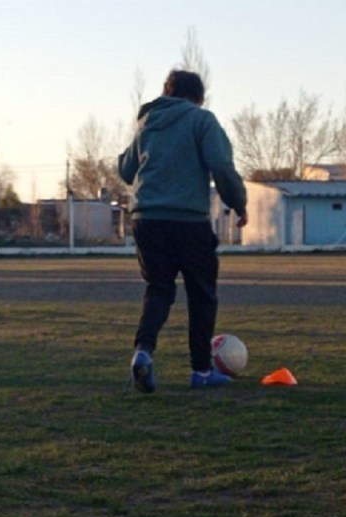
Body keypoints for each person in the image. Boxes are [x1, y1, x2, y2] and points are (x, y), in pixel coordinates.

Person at [118, 69, 248, 393]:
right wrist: (238, 203)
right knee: (201, 293)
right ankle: (201, 371)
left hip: (147, 220)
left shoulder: (147, 123)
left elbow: (125, 169)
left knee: (158, 289)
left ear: (166, 93)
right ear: (198, 97)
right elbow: (220, 165)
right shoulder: (201, 121)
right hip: (189, 221)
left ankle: (143, 352)